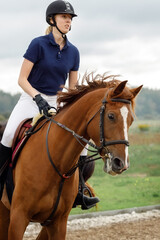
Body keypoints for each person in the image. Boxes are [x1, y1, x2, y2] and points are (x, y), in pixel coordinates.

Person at [0, 0, 99, 209]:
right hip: (31, 98)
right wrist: (37, 98)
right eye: (64, 17)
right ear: (52, 19)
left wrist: (72, 106)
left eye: (70, 18)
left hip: (57, 100)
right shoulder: (38, 44)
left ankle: (79, 191)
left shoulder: (74, 52)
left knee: (79, 144)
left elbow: (73, 88)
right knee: (8, 134)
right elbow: (22, 79)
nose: (68, 21)